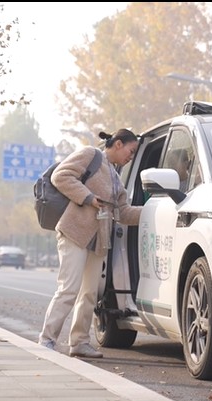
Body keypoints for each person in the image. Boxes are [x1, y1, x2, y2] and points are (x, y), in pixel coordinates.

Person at [38, 129, 142, 358]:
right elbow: (61, 176)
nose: (130, 157)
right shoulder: (90, 155)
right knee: (69, 289)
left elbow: (123, 213)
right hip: (75, 231)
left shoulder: (116, 177)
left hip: (99, 241)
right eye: (130, 151)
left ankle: (79, 342)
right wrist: (88, 198)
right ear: (118, 144)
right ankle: (47, 339)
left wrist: (153, 212)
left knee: (89, 294)